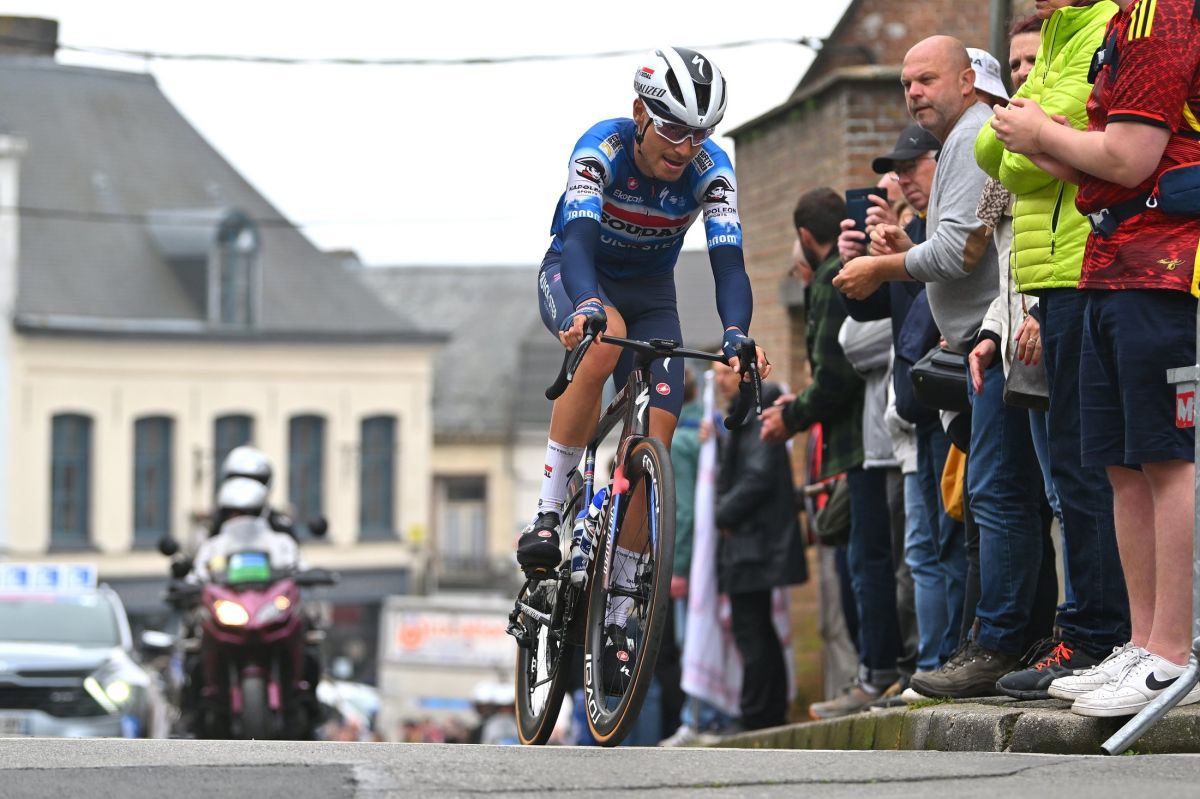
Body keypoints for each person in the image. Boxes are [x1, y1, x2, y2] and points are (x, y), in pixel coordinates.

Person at [991, 0, 1200, 716]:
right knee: (1120, 462)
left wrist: (1040, 132)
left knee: (1165, 457)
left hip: (1165, 267)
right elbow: (1095, 164)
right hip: (1110, 261)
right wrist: (1035, 138)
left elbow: (1130, 157)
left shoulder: (1161, 17)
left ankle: (1172, 650)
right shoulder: (1123, 22)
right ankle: (1142, 642)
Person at [836, 36, 1046, 699]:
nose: (913, 93)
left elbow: (959, 253)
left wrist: (883, 266)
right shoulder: (971, 136)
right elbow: (977, 240)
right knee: (1005, 498)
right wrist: (913, 247)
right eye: (906, 83)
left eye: (925, 79)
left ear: (966, 81)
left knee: (1000, 495)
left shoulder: (972, 134)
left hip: (1003, 339)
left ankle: (999, 643)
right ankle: (1018, 641)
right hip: (991, 338)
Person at [519, 46, 770, 577]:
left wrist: (735, 334)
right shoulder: (600, 149)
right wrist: (587, 304)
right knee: (604, 338)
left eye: (700, 133)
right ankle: (547, 512)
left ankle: (623, 592)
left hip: (653, 294)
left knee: (659, 431)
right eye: (673, 130)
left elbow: (729, 266)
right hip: (579, 275)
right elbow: (579, 242)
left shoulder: (712, 171)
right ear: (640, 113)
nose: (685, 148)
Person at [974, 0, 1130, 702]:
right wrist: (1035, 136)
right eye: (1014, 66)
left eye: (1027, 64)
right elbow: (996, 152)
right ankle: (1095, 633)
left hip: (1083, 268)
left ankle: (1099, 637)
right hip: (1052, 279)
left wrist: (1035, 137)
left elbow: (1038, 158)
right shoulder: (1062, 37)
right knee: (1075, 469)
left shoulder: (1101, 29)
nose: (1022, 74)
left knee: (1090, 470)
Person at [762, 187, 902, 718]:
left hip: (861, 445)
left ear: (804, 236)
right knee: (870, 557)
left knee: (867, 561)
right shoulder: (829, 277)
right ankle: (877, 672)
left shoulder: (827, 282)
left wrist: (791, 417)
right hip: (865, 441)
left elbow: (835, 376)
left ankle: (876, 673)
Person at [713, 361, 807, 731]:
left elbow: (758, 475)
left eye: (725, 373)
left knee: (751, 630)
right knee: (758, 629)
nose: (719, 381)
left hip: (752, 542)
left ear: (743, 375)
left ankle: (757, 714)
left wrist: (721, 513)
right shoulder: (746, 412)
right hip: (752, 541)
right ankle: (767, 711)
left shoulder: (755, 412)